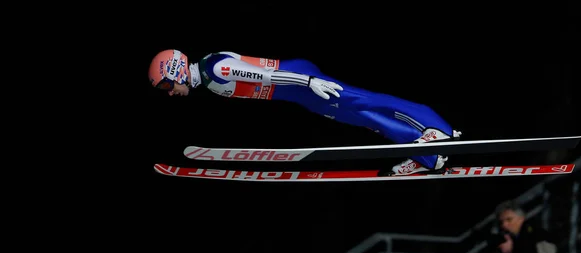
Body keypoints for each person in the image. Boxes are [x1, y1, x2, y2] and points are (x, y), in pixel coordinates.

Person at [147, 49, 462, 175]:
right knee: (362, 117)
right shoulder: (208, 75)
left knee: (366, 102)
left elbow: (268, 76)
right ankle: (426, 155)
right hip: (299, 93)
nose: (170, 93)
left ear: (174, 70)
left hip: (299, 82)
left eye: (165, 86)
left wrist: (309, 81)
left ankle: (436, 131)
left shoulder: (216, 68)